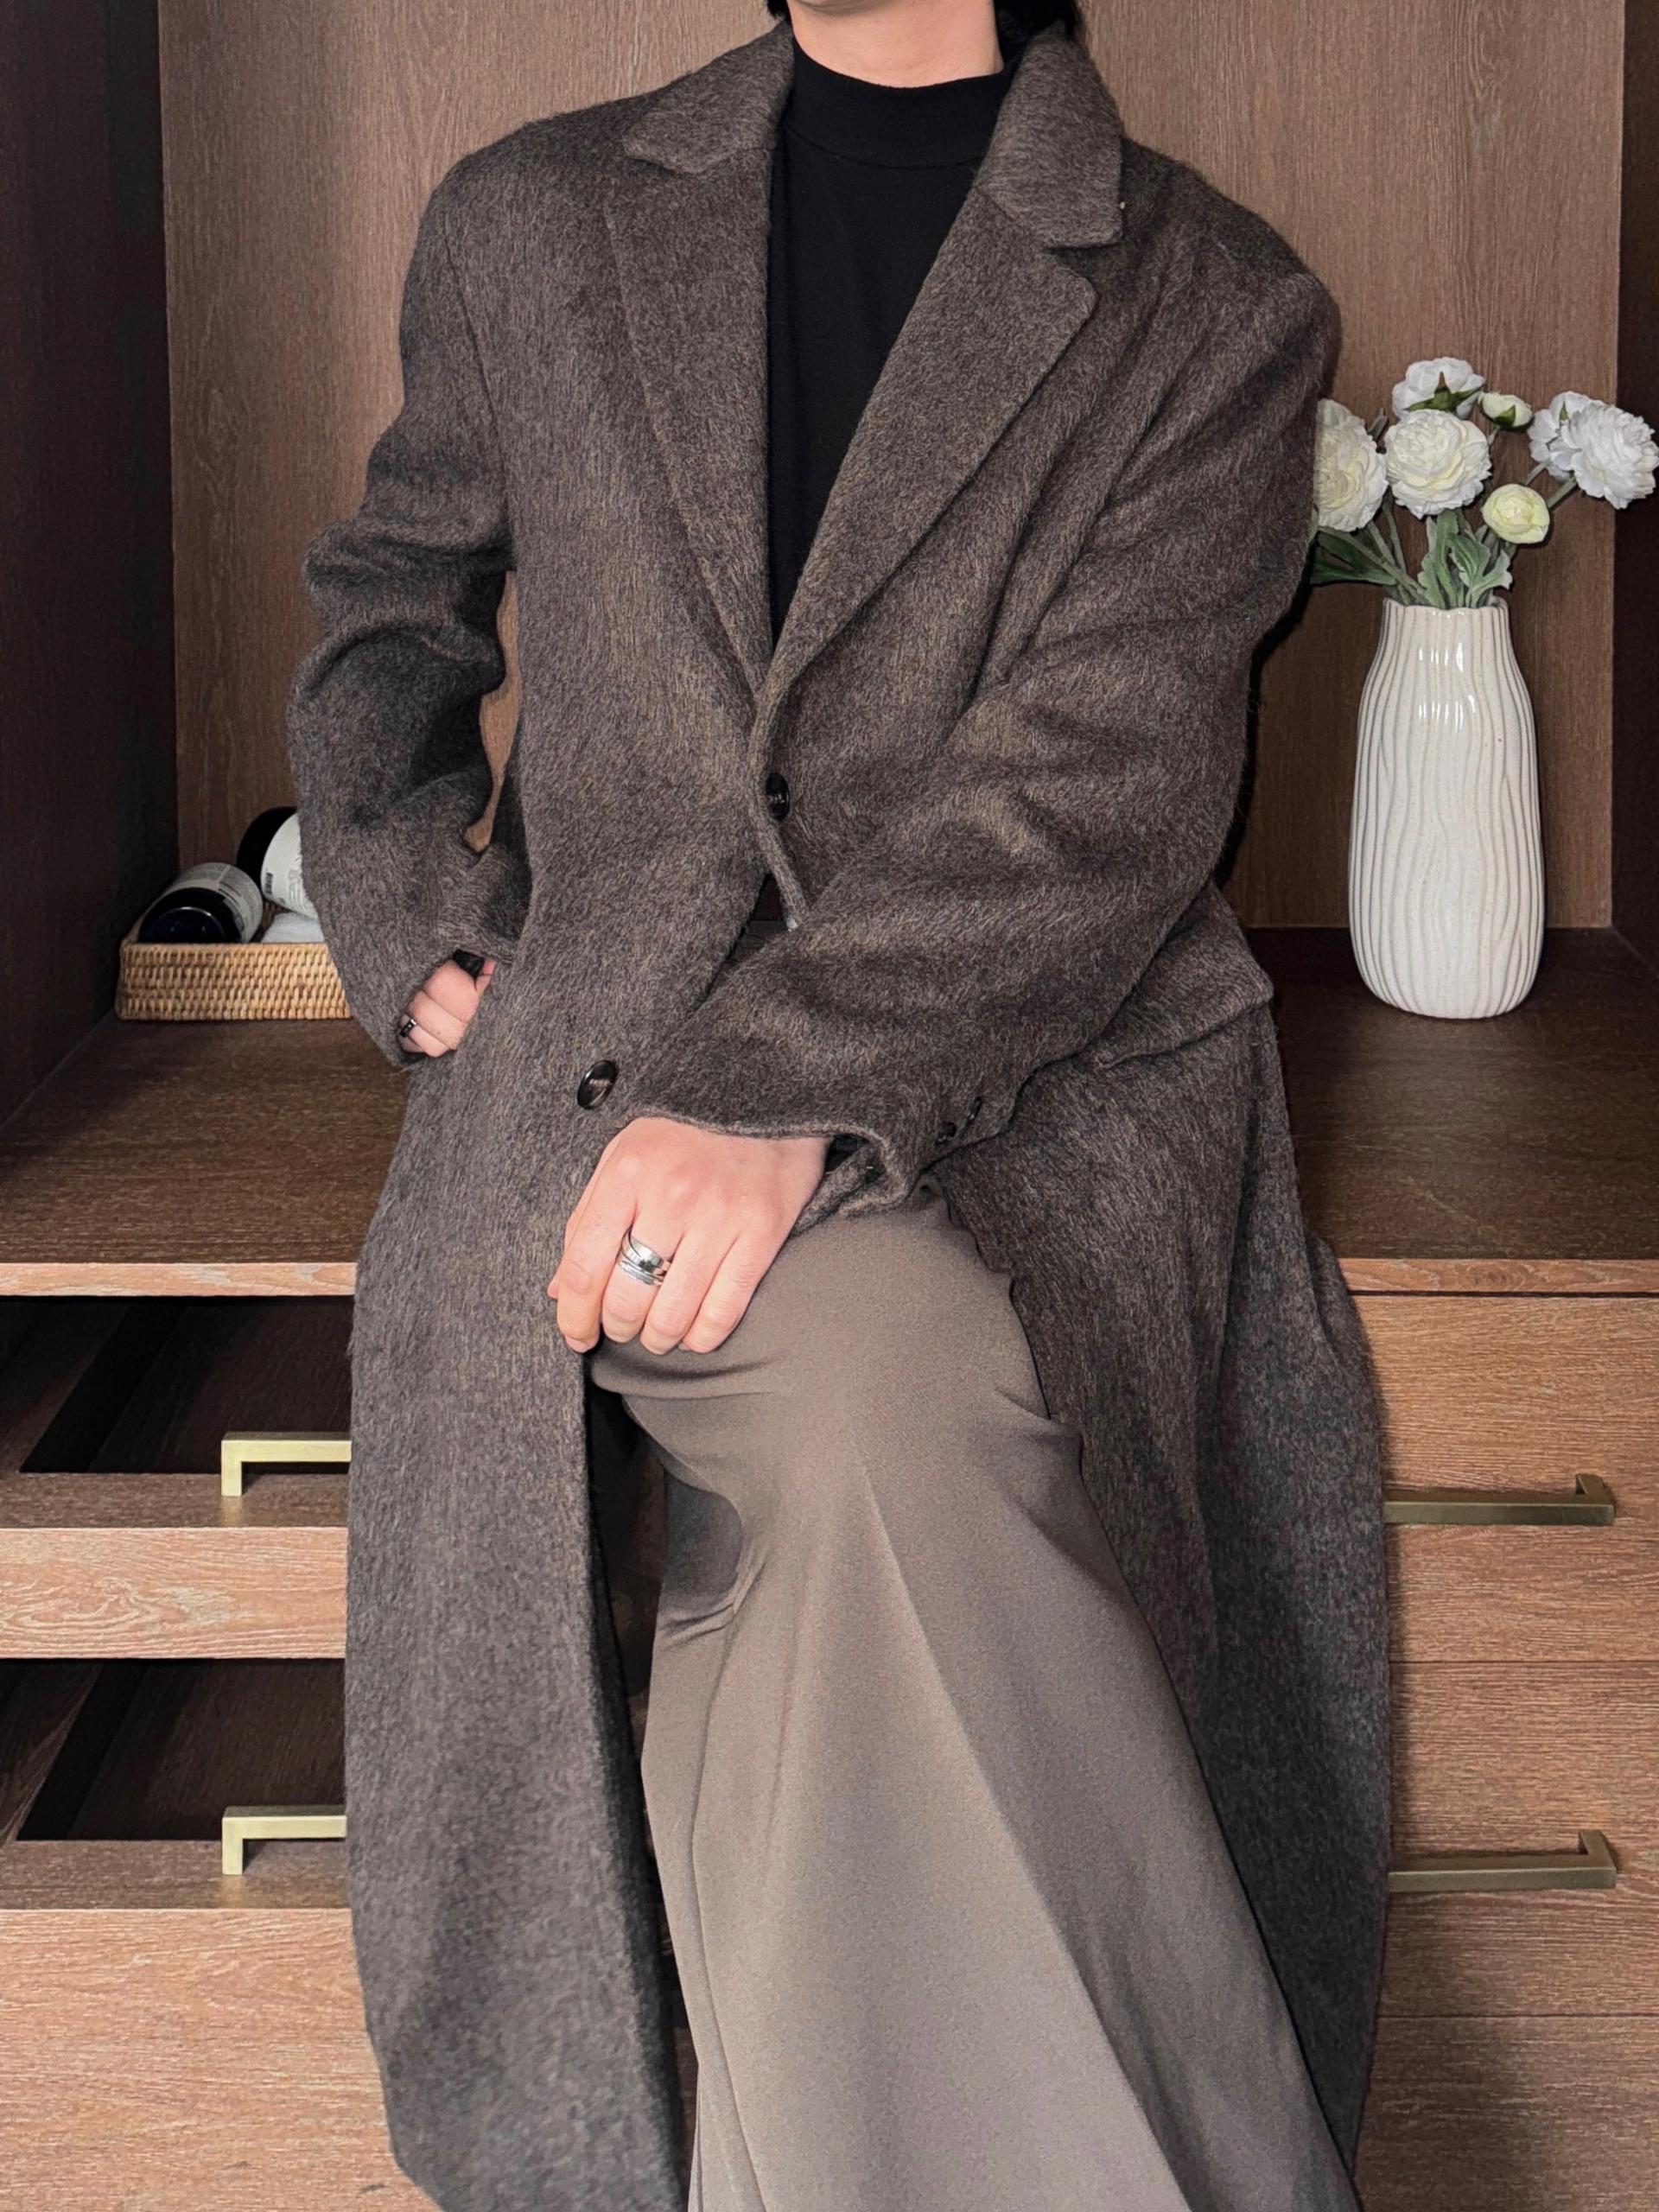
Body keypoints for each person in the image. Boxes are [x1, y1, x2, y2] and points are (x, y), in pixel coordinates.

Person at [285, 3, 1391, 2209]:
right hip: (594, 1062)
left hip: (1039, 1071)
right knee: (878, 1423)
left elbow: (1097, 796)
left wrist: (784, 1090)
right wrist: (411, 917)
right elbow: (387, 612)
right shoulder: (533, 217)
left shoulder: (1215, 300)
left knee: (886, 1411)